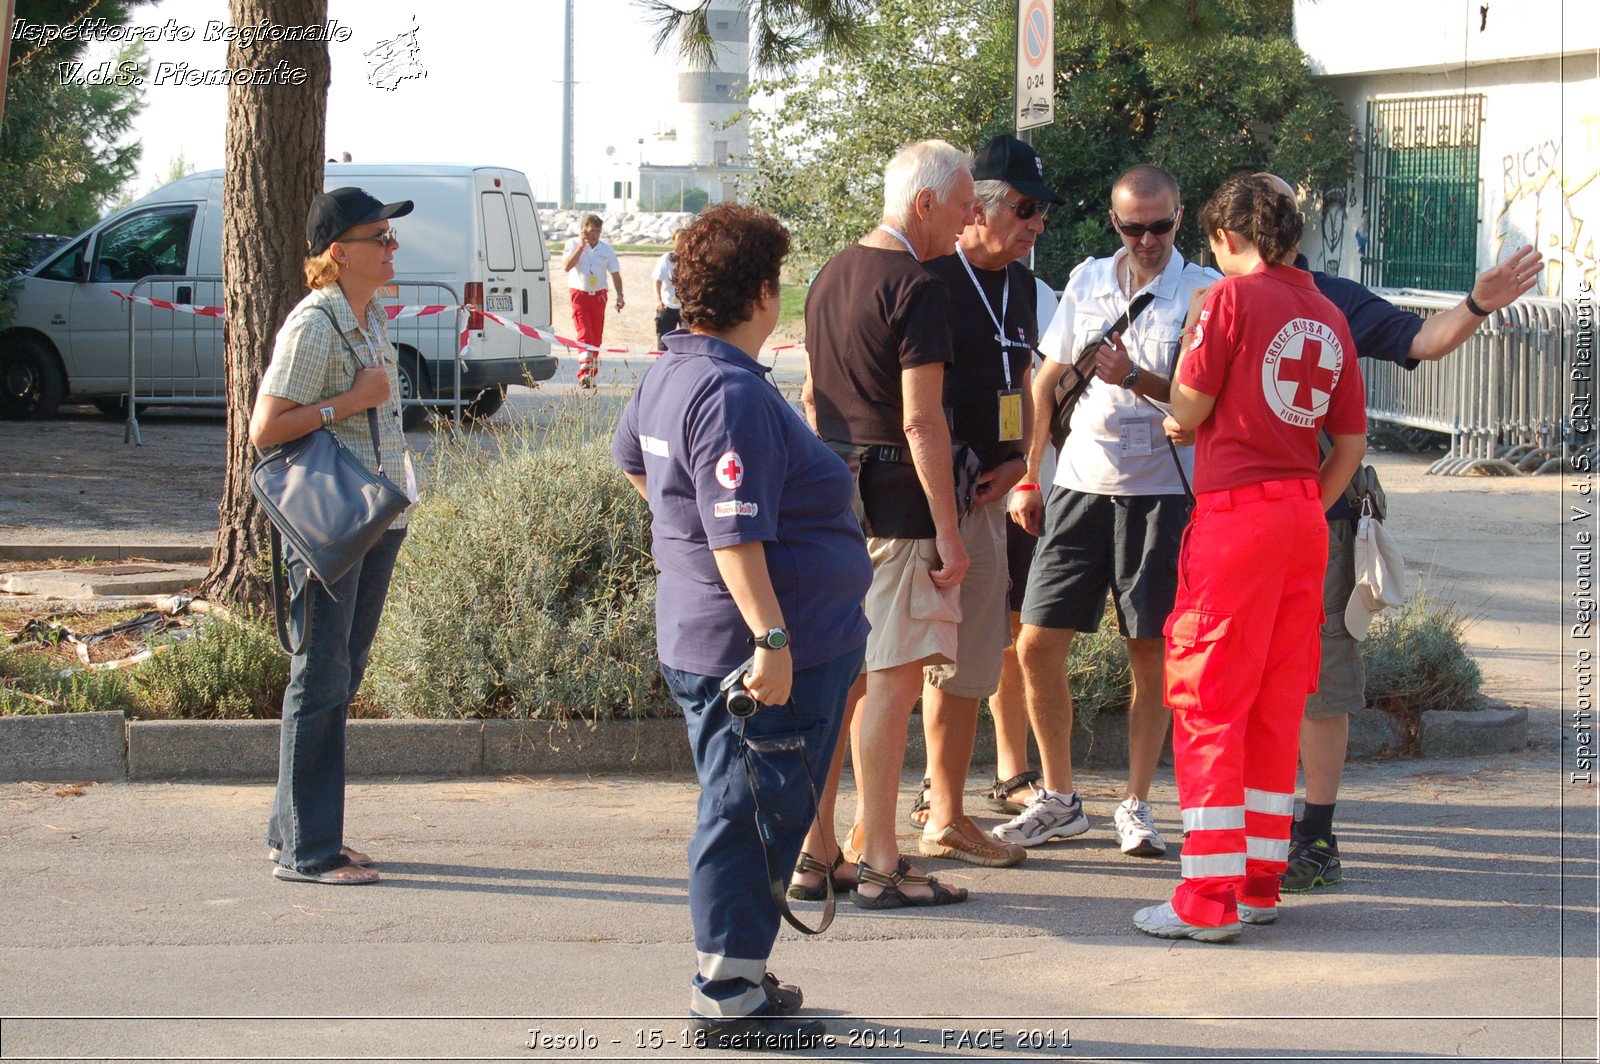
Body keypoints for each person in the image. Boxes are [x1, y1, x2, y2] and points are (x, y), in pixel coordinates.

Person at [612, 203, 872, 1049]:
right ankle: (724, 993)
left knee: (759, 805)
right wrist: (770, 639)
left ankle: (743, 971)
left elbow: (635, 467)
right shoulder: (726, 391)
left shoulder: (672, 371)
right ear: (762, 291)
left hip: (713, 633)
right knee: (747, 811)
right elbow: (735, 525)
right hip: (754, 651)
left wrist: (684, 541)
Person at [1250, 174, 1545, 894]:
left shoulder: (1334, 299)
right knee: (1243, 678)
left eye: (1279, 209)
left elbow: (1423, 338)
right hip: (1234, 521)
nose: (1270, 222)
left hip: (1323, 516)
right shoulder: (1212, 299)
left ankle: (1314, 836)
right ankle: (1244, 831)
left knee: (1321, 679)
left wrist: (1477, 303)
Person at [1132, 172, 1367, 942]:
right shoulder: (1329, 314)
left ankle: (1205, 899)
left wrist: (1181, 424)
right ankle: (1261, 883)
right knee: (1275, 701)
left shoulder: (1227, 300)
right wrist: (1310, 501)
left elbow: (1191, 405)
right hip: (1305, 519)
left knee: (1208, 701)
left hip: (1236, 522)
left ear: (1226, 240)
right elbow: (1353, 442)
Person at [999, 165, 1218, 855]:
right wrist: (1030, 475)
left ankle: (1138, 803)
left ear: (1180, 218)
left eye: (1161, 226)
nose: (1148, 240)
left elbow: (1203, 403)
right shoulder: (1089, 279)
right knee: (1034, 644)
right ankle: (1061, 798)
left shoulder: (1204, 292)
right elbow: (1046, 382)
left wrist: (1139, 378)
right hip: (1080, 487)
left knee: (1148, 653)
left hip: (1161, 494)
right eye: (1134, 227)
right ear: (1114, 223)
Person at [789, 139, 975, 909]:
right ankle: (883, 863)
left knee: (842, 683)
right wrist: (951, 532)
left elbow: (809, 394)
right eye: (965, 208)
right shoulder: (916, 285)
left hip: (836, 500)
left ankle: (816, 850)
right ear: (925, 203)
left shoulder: (831, 271)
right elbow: (922, 421)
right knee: (892, 689)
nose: (968, 225)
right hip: (899, 506)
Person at [903, 134, 1064, 869]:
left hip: (993, 498)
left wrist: (1022, 465)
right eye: (1026, 209)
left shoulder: (1028, 287)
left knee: (973, 661)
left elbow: (1034, 383)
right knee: (909, 662)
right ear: (980, 208)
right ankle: (926, 806)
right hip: (929, 498)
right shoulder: (929, 274)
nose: (1037, 226)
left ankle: (946, 804)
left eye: (1042, 212)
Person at [250, 187, 416, 886]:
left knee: (337, 677)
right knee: (320, 677)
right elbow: (266, 430)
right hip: (329, 522)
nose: (393, 247)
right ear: (340, 253)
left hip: (374, 519)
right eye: (380, 237)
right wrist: (350, 402)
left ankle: (301, 830)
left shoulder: (367, 313)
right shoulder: (315, 323)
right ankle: (307, 853)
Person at [561, 213, 624, 387]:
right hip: (579, 295)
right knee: (585, 333)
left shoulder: (606, 249)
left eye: (597, 231)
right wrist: (581, 246)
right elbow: (566, 266)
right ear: (583, 230)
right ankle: (584, 372)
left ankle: (590, 374)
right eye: (591, 231)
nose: (594, 235)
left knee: (596, 337)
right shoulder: (573, 244)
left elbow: (615, 273)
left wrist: (620, 294)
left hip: (599, 296)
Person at [653, 227, 684, 349]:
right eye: (679, 239)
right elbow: (657, 281)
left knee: (686, 340)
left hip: (684, 307)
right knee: (663, 344)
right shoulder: (666, 260)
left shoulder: (691, 260)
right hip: (667, 305)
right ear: (674, 241)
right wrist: (658, 301)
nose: (682, 242)